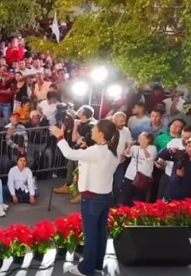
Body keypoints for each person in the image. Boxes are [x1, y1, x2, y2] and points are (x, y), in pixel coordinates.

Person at [50, 118, 121, 276]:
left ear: (101, 133)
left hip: (92, 198)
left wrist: (60, 137)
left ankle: (86, 268)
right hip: (105, 196)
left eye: (94, 128)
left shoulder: (96, 151)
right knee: (100, 233)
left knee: (91, 234)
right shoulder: (111, 151)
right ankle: (96, 264)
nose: (92, 131)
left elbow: (69, 154)